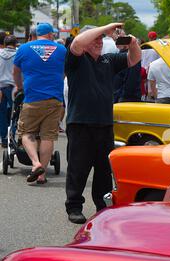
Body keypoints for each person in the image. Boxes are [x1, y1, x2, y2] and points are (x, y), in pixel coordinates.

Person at [64, 22, 141, 224]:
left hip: (104, 123)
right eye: (95, 39)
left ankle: (102, 206)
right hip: (80, 122)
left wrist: (132, 42)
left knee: (104, 169)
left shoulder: (108, 60)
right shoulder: (76, 59)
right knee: (78, 168)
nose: (99, 42)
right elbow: (78, 42)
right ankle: (74, 206)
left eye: (101, 40)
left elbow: (134, 59)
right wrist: (106, 28)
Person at [13, 23, 66, 185]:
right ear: (50, 35)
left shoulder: (23, 49)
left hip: (32, 98)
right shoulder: (62, 50)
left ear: (36, 34)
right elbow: (65, 72)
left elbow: (16, 72)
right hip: (55, 99)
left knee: (26, 133)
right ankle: (42, 174)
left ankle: (35, 164)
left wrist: (19, 87)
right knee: (47, 136)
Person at [0, 35, 17, 148]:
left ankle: (4, 138)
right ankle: (12, 137)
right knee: (15, 113)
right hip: (14, 88)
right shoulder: (18, 54)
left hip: (1, 87)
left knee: (1, 114)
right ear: (15, 44)